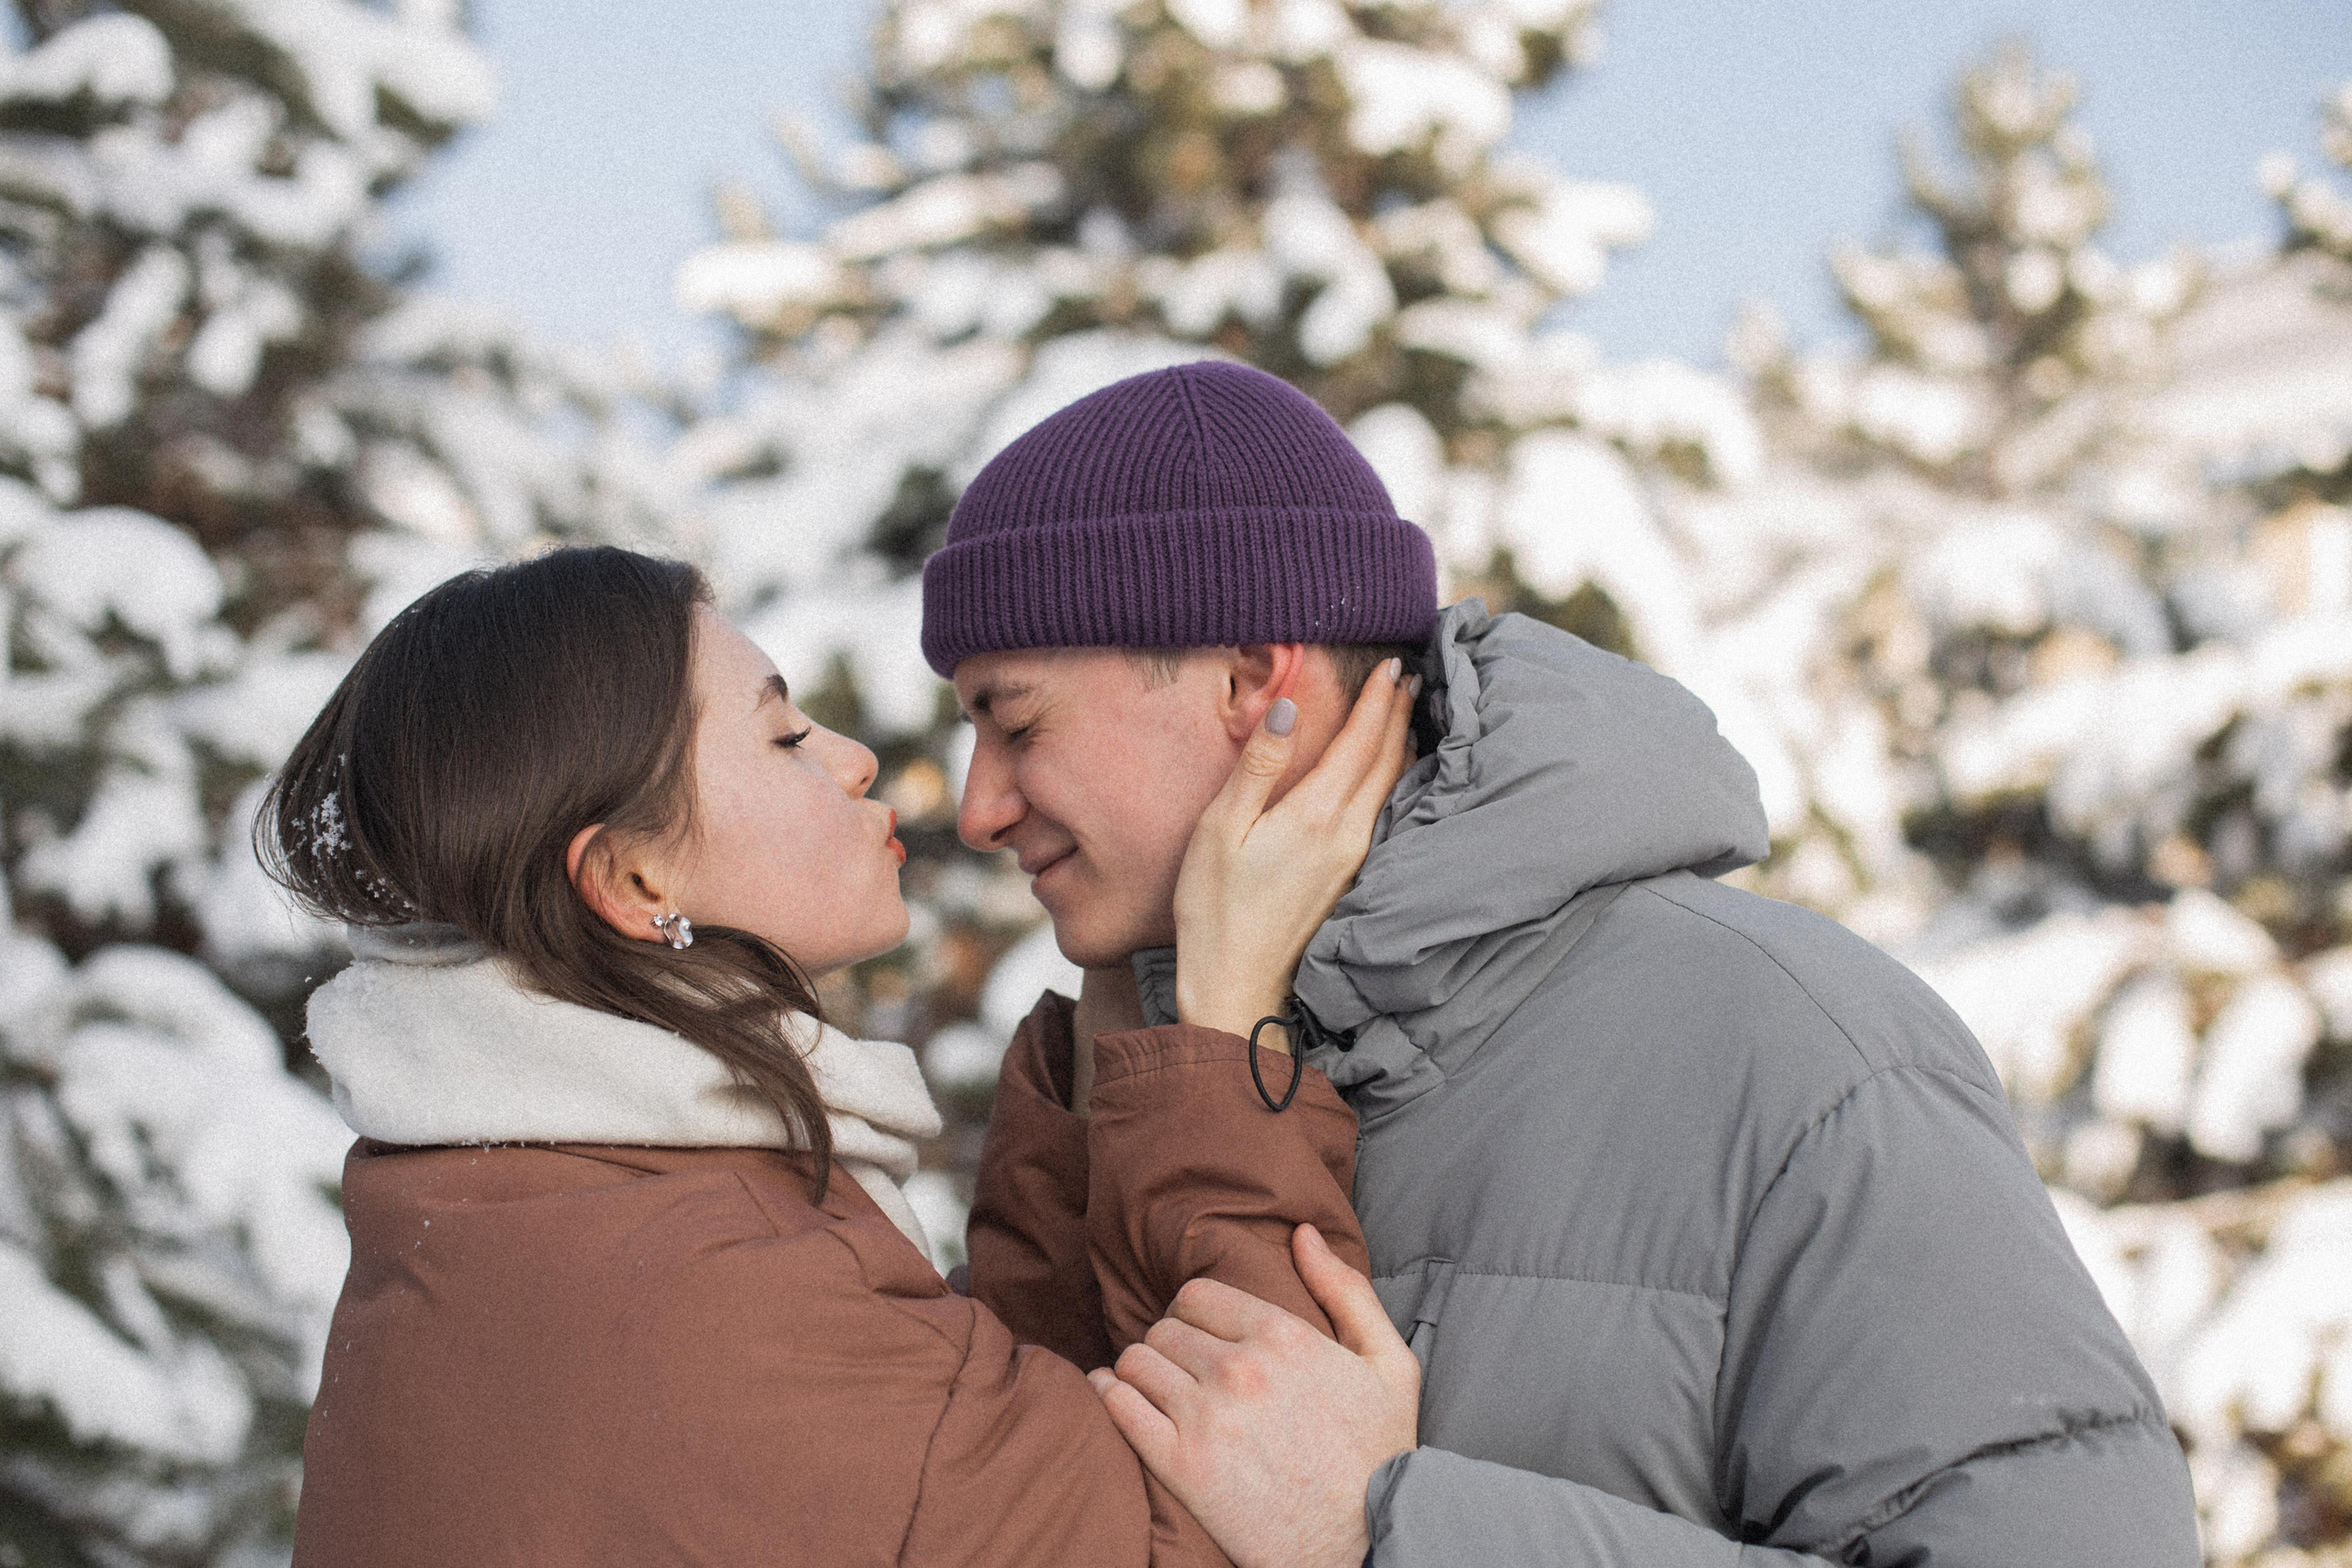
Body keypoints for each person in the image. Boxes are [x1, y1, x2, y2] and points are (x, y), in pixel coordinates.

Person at [923, 360, 2204, 1568]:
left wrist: (1397, 1529)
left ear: (1256, 680)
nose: (979, 807)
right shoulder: (1131, 1070)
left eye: (1016, 720)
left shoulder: (1795, 1051)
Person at [264, 544, 1419, 1566]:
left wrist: (1115, 1005)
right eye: (782, 736)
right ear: (631, 879)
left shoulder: (523, 1215)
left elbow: (977, 1463)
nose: (856, 758)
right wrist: (1220, 1032)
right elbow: (1240, 1511)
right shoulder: (711, 1293)